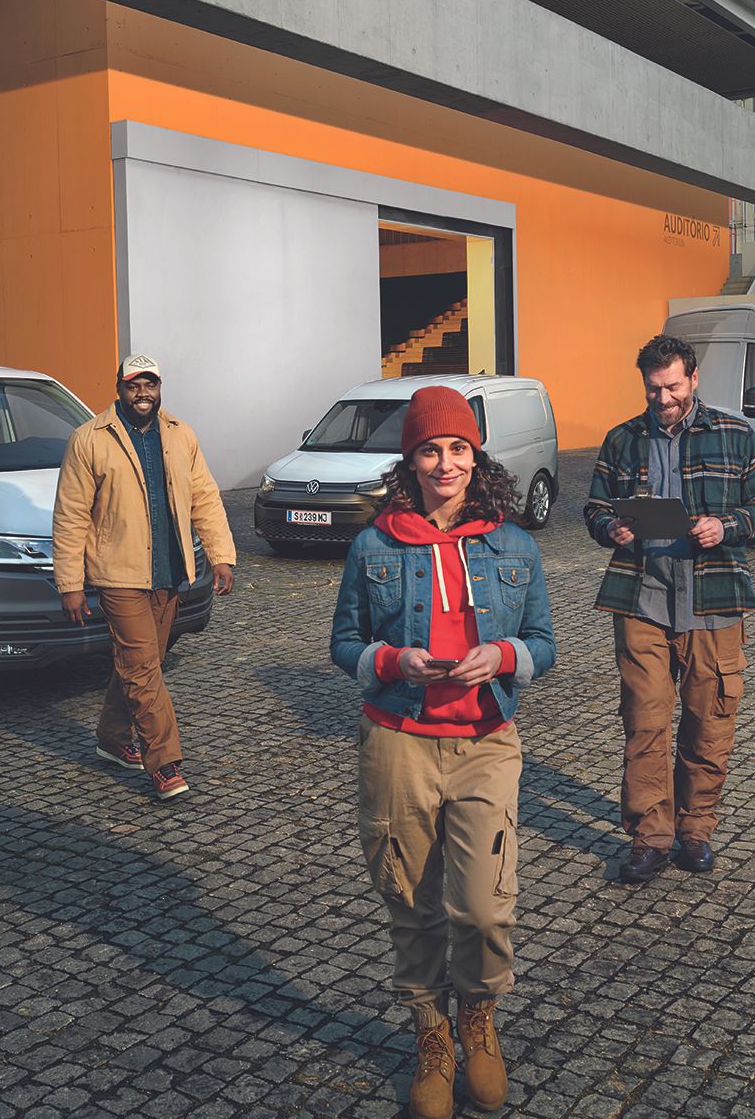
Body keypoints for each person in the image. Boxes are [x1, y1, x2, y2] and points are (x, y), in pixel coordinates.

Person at [330, 385, 555, 1119]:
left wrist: (505, 654)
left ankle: (478, 1020)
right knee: (410, 899)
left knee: (485, 909)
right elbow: (343, 644)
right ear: (411, 460)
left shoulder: (513, 543)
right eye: (430, 449)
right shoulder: (374, 544)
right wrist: (391, 662)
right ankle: (431, 1031)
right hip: (396, 740)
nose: (445, 462)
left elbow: (546, 645)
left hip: (487, 741)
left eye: (458, 448)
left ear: (474, 456)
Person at [585, 336, 755, 883]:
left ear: (693, 379)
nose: (663, 397)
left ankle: (695, 832)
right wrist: (611, 527)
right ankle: (650, 837)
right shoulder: (622, 439)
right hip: (640, 600)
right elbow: (595, 506)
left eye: (672, 386)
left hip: (714, 603)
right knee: (644, 724)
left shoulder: (735, 435)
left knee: (708, 725)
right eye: (653, 388)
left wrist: (729, 526)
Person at [52, 354, 236, 800]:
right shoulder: (89, 439)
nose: (143, 393)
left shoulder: (180, 434)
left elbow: (205, 496)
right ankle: (165, 762)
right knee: (143, 668)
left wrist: (221, 555)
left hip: (169, 573)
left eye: (150, 384)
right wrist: (70, 583)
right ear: (119, 387)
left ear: (159, 388)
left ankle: (112, 739)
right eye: (134, 385)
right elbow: (71, 515)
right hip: (118, 573)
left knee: (139, 665)